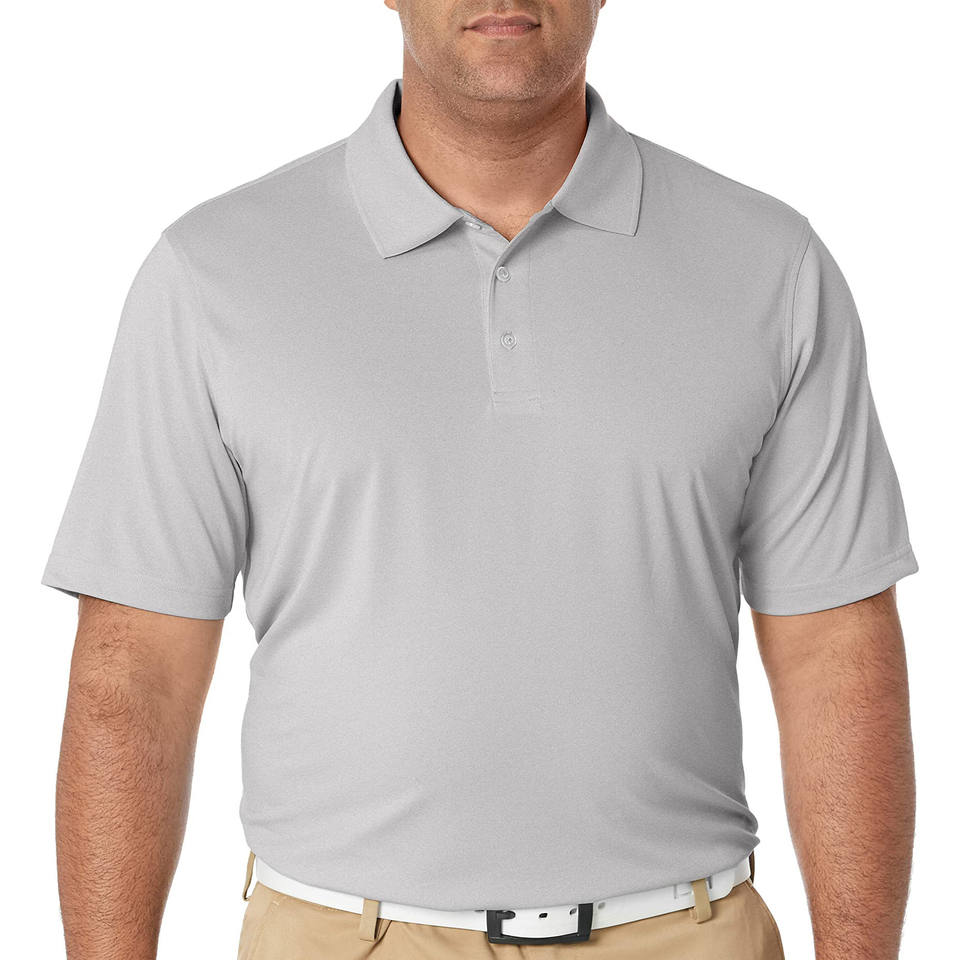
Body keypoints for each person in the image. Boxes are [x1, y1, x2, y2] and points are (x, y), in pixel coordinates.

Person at [42, 2, 919, 958]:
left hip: (686, 935)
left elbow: (837, 651)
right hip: (338, 936)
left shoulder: (770, 265)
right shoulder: (213, 271)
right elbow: (136, 672)